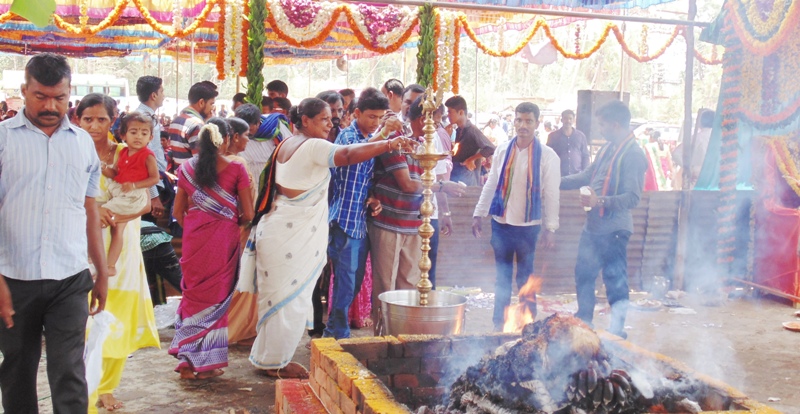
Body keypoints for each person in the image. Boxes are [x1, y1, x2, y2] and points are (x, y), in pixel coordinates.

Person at [246, 97, 414, 377]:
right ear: (306, 121)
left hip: (278, 230)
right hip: (291, 234)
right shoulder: (313, 145)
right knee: (290, 300)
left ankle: (267, 358)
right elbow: (347, 155)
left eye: (330, 118)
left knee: (277, 299)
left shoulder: (288, 142)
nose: (330, 123)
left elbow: (351, 150)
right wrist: (388, 143)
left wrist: (382, 136)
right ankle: (276, 363)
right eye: (323, 119)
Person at [0, 52, 108, 414]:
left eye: (59, 98)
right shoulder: (2, 141)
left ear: (69, 93)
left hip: (70, 277)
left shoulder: (82, 145)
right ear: (24, 91)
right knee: (17, 369)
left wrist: (102, 271)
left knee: (69, 372)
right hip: (13, 278)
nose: (50, 105)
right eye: (40, 96)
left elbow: (90, 210)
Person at [77, 94, 160, 413]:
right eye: (88, 119)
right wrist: (94, 211)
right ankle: (84, 387)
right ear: (79, 120)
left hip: (120, 250)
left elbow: (143, 201)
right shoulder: (72, 151)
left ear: (113, 122)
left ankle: (107, 386)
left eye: (101, 119)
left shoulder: (129, 153)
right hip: (82, 243)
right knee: (82, 319)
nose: (94, 125)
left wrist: (112, 215)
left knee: (116, 316)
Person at [169, 120, 255, 380]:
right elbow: (248, 213)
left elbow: (177, 213)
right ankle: (205, 364)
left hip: (194, 239)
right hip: (223, 241)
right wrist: (227, 222)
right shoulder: (236, 168)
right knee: (216, 300)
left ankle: (186, 360)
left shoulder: (185, 169)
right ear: (226, 140)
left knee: (193, 296)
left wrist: (198, 226)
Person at [560, 100, 647, 339]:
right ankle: (585, 322)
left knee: (614, 278)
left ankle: (617, 331)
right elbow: (588, 175)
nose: (600, 129)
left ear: (615, 124)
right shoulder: (608, 147)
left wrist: (600, 202)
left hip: (615, 229)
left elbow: (633, 198)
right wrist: (557, 182)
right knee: (584, 274)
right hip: (594, 227)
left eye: (602, 124)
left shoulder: (634, 154)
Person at [472, 102, 561, 331]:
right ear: (514, 121)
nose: (523, 125)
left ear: (537, 123)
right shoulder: (502, 149)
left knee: (525, 278)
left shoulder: (548, 156)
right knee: (501, 278)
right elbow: (492, 182)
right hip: (501, 224)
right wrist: (479, 213)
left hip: (529, 227)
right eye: (519, 120)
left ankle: (528, 324)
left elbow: (551, 194)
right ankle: (498, 324)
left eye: (528, 121)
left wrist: (551, 229)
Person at [323, 88, 402, 340]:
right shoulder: (348, 136)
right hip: (342, 220)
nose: (375, 123)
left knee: (354, 283)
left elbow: (365, 178)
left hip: (359, 221)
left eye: (380, 118)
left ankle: (336, 330)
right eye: (371, 117)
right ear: (356, 113)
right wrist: (386, 134)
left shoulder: (374, 138)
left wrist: (372, 198)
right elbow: (354, 153)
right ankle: (336, 334)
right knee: (345, 282)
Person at [405, 95, 465, 288]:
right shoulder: (403, 137)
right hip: (407, 214)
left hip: (431, 213)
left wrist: (445, 212)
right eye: (435, 120)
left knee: (428, 268)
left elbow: (439, 178)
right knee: (409, 269)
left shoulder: (435, 139)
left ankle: (428, 309)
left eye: (438, 121)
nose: (436, 126)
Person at [100, 112, 161, 275]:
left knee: (99, 218)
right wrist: (104, 169)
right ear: (123, 135)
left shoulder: (147, 156)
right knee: (117, 230)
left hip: (134, 196)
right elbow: (116, 174)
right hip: (122, 192)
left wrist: (134, 185)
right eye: (133, 132)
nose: (138, 137)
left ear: (150, 136)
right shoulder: (124, 153)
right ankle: (110, 266)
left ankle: (95, 259)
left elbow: (155, 178)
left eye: (144, 133)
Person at [135, 75, 170, 219]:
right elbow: (141, 161)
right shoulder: (143, 120)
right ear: (154, 95)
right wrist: (154, 195)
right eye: (162, 91)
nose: (164, 95)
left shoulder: (147, 116)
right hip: (148, 188)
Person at [446, 95, 496, 186]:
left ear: (461, 112)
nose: (447, 115)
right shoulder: (458, 130)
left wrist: (471, 159)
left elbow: (491, 148)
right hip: (457, 174)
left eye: (450, 112)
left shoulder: (472, 130)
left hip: (467, 177)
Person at [168, 80, 218, 166]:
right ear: (201, 102)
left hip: (180, 175)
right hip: (192, 177)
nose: (212, 108)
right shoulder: (197, 125)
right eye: (211, 104)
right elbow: (201, 161)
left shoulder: (176, 120)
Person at [547, 109, 590, 176]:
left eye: (570, 118)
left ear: (573, 120)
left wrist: (585, 173)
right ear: (561, 120)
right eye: (565, 118)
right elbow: (548, 155)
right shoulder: (553, 136)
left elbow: (585, 156)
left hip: (577, 176)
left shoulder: (581, 136)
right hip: (558, 175)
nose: (568, 121)